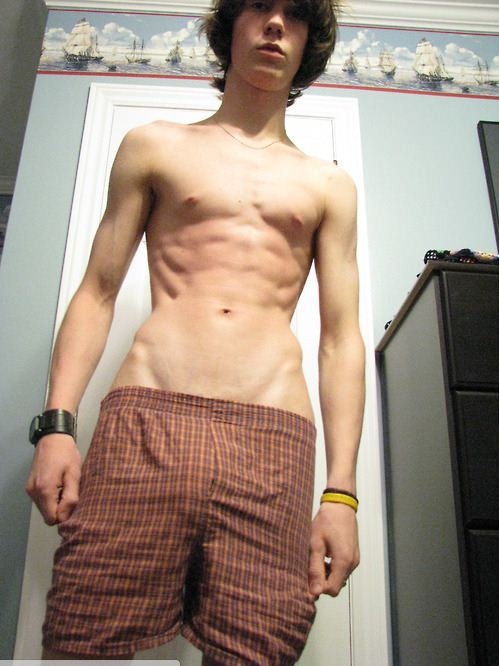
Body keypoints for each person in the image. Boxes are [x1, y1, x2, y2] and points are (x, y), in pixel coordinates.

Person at [25, 0, 365, 663]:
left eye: (295, 15)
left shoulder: (329, 185)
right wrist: (57, 426)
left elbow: (340, 341)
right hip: (146, 423)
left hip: (272, 441)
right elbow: (97, 291)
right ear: (229, 25)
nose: (276, 25)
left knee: (256, 648)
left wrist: (341, 494)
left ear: (309, 44)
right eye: (260, 6)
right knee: (82, 634)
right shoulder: (155, 146)